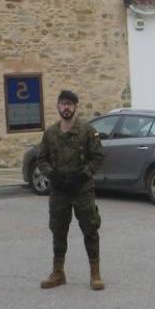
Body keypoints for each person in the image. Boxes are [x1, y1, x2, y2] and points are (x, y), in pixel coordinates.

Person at [38, 90, 106, 291]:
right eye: (62, 104)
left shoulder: (87, 131)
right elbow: (42, 159)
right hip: (59, 191)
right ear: (58, 106)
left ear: (76, 107)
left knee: (90, 229)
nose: (66, 107)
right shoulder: (50, 133)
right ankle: (58, 272)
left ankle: (95, 273)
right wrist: (53, 175)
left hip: (82, 190)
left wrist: (83, 175)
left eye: (69, 104)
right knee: (58, 230)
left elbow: (99, 157)